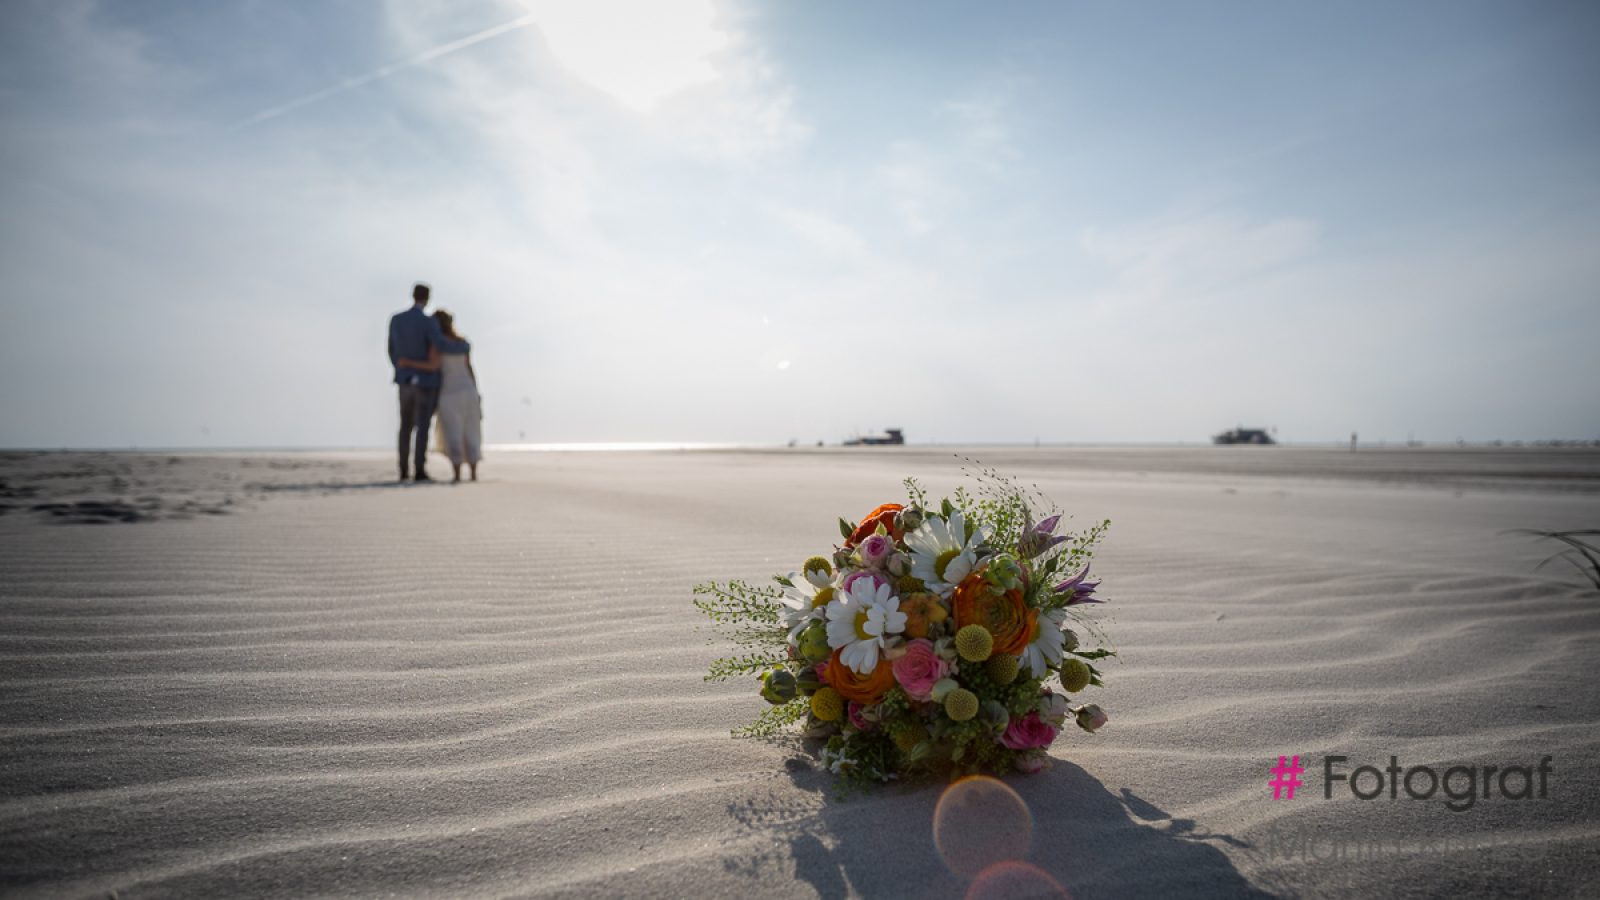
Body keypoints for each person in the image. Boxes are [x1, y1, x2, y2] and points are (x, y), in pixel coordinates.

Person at [397, 310, 482, 482]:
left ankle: (457, 474)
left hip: (449, 393)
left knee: (453, 431)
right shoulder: (463, 343)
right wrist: (476, 392)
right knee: (471, 430)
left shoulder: (438, 345)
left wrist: (408, 362)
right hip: (468, 390)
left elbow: (433, 366)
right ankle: (473, 473)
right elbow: (469, 369)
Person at [388, 282, 447, 482]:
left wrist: (401, 368)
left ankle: (403, 470)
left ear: (413, 295)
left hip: (404, 380)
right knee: (422, 426)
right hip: (425, 381)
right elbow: (440, 344)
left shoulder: (396, 320)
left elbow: (392, 351)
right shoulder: (428, 322)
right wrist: (462, 344)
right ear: (427, 298)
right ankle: (419, 470)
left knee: (405, 427)